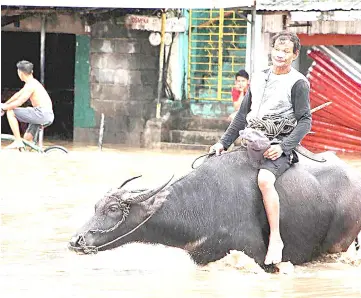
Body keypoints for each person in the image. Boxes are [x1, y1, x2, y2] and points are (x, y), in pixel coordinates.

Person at [210, 31, 311, 265]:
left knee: (265, 180)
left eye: (286, 52)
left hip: (277, 144)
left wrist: (284, 147)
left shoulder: (298, 83)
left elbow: (305, 120)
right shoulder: (257, 78)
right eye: (277, 49)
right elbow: (242, 115)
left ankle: (276, 238)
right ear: (271, 51)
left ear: (295, 55)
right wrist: (223, 142)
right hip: (251, 140)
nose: (280, 55)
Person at [1, 60, 54, 149]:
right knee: (27, 140)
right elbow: (17, 95)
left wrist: (5, 108)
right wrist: (4, 104)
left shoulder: (31, 85)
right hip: (45, 114)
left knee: (11, 112)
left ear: (20, 72)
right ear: (31, 72)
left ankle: (17, 140)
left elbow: (20, 102)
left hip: (41, 113)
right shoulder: (31, 83)